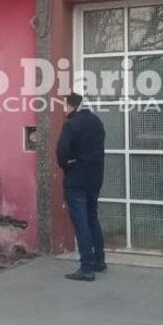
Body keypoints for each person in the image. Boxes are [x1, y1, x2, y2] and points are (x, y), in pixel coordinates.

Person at [57, 92, 106, 282]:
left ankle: (86, 268)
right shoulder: (96, 122)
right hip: (94, 178)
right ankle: (99, 260)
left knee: (81, 222)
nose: (63, 109)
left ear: (71, 106)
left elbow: (62, 150)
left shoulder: (71, 124)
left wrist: (66, 165)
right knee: (92, 218)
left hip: (76, 180)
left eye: (64, 105)